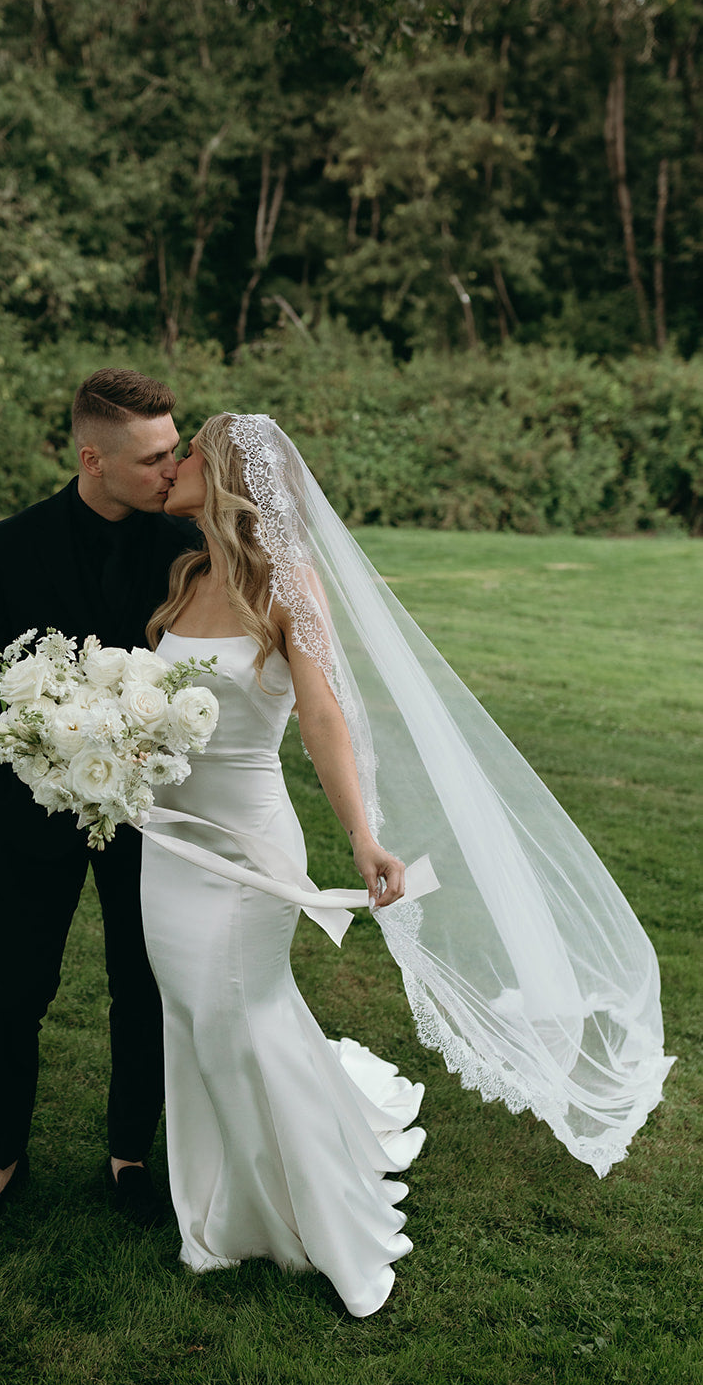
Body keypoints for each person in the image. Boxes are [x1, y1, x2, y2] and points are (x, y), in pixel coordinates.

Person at [139, 413, 673, 1317]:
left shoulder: (287, 582)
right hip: (171, 845)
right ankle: (225, 1206)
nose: (173, 463)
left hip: (252, 847)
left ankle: (319, 1223)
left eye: (188, 450)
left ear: (225, 474)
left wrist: (361, 838)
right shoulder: (188, 573)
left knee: (241, 1018)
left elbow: (322, 719)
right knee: (194, 1017)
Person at [0, 368, 198, 1246]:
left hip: (148, 814)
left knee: (143, 986)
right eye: (154, 457)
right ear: (93, 458)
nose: (173, 468)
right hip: (32, 812)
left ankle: (130, 1156)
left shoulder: (185, 541)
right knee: (14, 991)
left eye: (175, 450)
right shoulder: (9, 544)